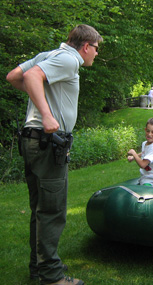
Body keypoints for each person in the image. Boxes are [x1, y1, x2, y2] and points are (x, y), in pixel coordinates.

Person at [6, 24, 102, 285]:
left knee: (40, 209)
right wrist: (47, 114)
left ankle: (39, 268)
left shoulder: (47, 55)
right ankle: (51, 276)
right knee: (52, 211)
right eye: (96, 49)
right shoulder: (70, 59)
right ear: (85, 47)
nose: (96, 54)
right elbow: (32, 76)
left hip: (32, 142)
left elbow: (14, 76)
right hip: (48, 143)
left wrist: (42, 100)